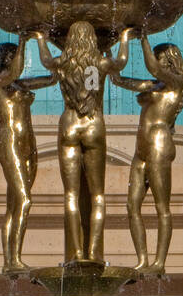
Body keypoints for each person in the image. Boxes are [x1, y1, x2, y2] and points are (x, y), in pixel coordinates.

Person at [33, 23, 131, 264]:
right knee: (97, 195)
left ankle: (75, 253)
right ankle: (95, 253)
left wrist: (39, 38)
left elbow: (45, 60)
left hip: (69, 123)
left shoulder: (61, 63)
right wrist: (125, 37)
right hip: (93, 123)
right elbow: (121, 61)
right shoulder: (101, 64)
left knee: (71, 195)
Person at [111, 29, 183, 275]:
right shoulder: (155, 85)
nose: (157, 64)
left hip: (159, 143)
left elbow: (155, 70)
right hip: (141, 148)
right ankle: (143, 260)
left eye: (160, 58)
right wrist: (110, 56)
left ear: (170, 60)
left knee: (161, 206)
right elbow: (120, 80)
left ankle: (160, 262)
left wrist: (142, 37)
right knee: (132, 205)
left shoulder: (178, 82)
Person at [0, 35, 56, 274]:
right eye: (14, 56)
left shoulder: (19, 86)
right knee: (25, 200)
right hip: (10, 142)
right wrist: (26, 40)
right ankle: (12, 260)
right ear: (5, 57)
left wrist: (62, 63)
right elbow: (14, 73)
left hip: (28, 144)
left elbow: (50, 78)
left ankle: (12, 258)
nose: (18, 61)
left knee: (14, 204)